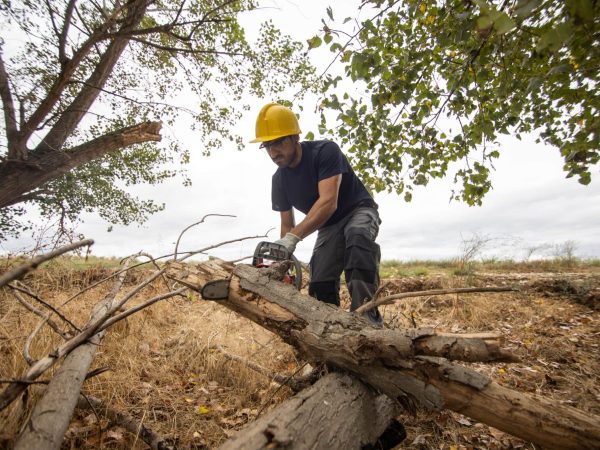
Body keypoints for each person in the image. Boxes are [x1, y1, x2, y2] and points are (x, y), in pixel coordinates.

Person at [251, 102, 383, 327]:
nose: (273, 152)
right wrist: (283, 257)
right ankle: (329, 329)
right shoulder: (279, 180)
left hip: (358, 210)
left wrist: (293, 238)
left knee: (358, 238)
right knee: (319, 280)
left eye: (278, 142)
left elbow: (328, 202)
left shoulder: (325, 151)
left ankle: (366, 319)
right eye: (267, 146)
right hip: (329, 226)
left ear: (295, 136)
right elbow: (287, 225)